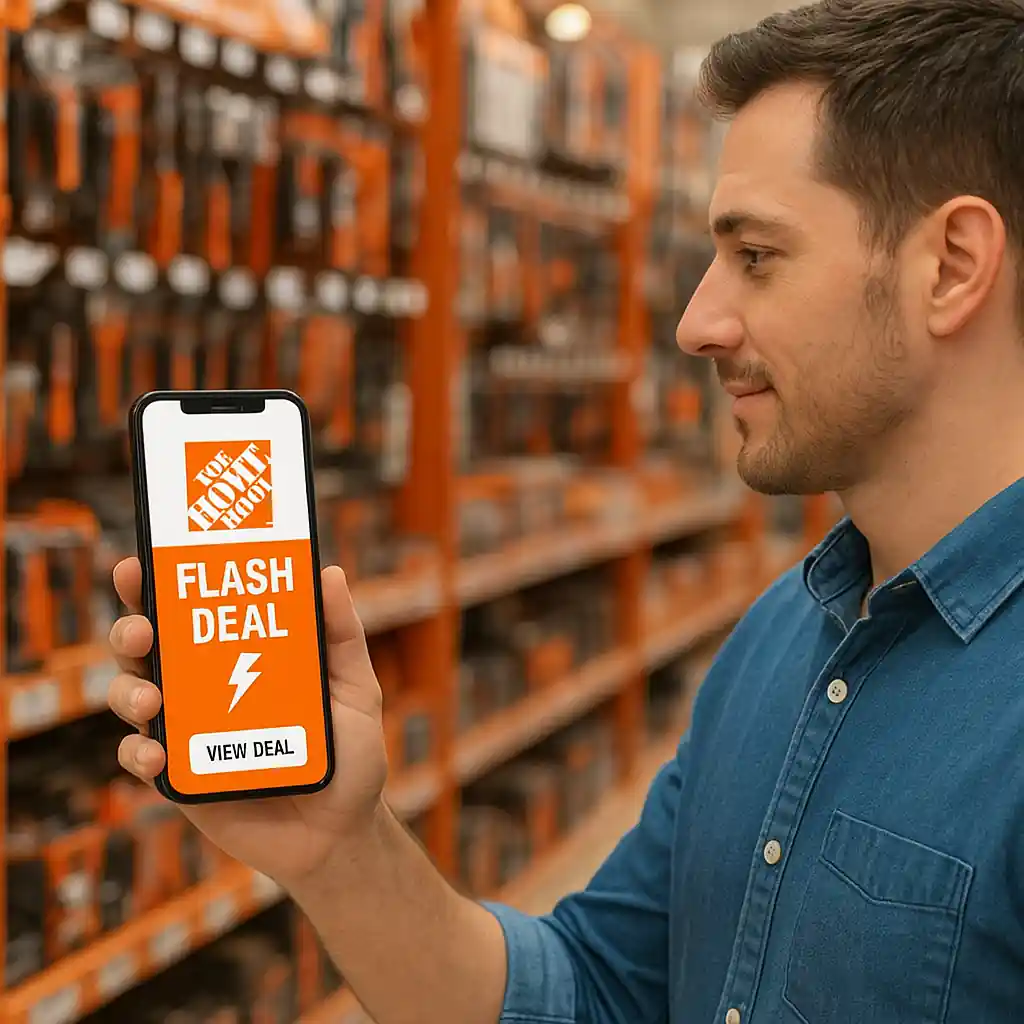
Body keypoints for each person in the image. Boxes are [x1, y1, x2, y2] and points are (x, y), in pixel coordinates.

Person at [106, 0, 1024, 1020]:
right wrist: (340, 849)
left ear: (949, 266)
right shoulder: (778, 644)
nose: (695, 321)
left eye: (757, 256)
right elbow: (589, 991)